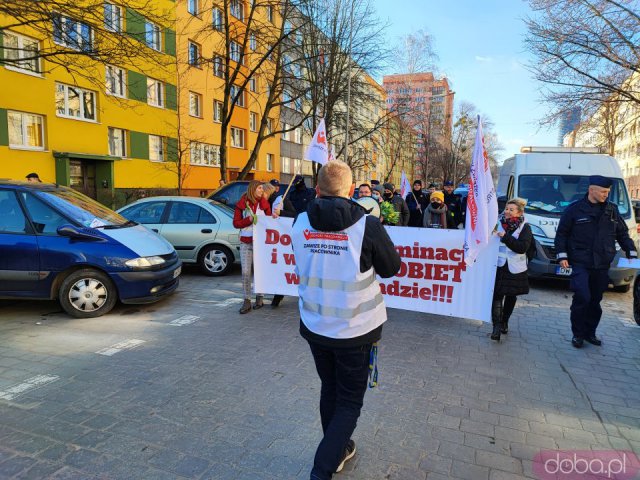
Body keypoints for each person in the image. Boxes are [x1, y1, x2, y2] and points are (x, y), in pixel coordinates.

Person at [290, 160, 401, 480]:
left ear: (318, 188)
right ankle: (321, 470)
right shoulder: (368, 226)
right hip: (357, 329)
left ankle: (337, 450)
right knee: (350, 402)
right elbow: (392, 268)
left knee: (330, 388)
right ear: (352, 190)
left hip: (315, 324)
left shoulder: (298, 222)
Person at [555, 175, 637, 348]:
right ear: (591, 190)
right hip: (580, 262)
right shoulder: (575, 209)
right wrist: (562, 255)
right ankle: (577, 334)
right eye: (603, 192)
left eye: (607, 192)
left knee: (595, 300)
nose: (605, 195)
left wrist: (631, 251)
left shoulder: (612, 210)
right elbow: (562, 233)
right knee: (582, 296)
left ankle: (589, 332)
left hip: (602, 263)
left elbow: (622, 233)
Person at [491, 198, 533, 341]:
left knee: (511, 296)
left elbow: (522, 248)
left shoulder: (525, 227)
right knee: (497, 295)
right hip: (499, 266)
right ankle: (495, 327)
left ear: (519, 212)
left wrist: (506, 237)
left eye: (511, 210)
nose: (507, 212)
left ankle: (504, 321)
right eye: (507, 209)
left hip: (515, 268)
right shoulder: (497, 222)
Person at [232, 180, 272, 314]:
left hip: (260, 243)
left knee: (260, 271)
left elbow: (269, 223)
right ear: (253, 189)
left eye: (262, 188)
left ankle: (260, 297)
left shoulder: (264, 204)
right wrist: (247, 220)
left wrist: (275, 217)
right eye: (260, 188)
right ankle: (247, 300)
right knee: (245, 272)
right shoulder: (242, 204)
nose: (262, 190)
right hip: (246, 242)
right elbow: (236, 223)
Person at [263, 182, 296, 308]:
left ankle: (278, 296)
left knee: (282, 266)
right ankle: (278, 294)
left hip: (284, 240)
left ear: (268, 192)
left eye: (263, 193)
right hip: (274, 241)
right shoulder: (265, 203)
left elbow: (294, 214)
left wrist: (281, 213)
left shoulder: (282, 200)